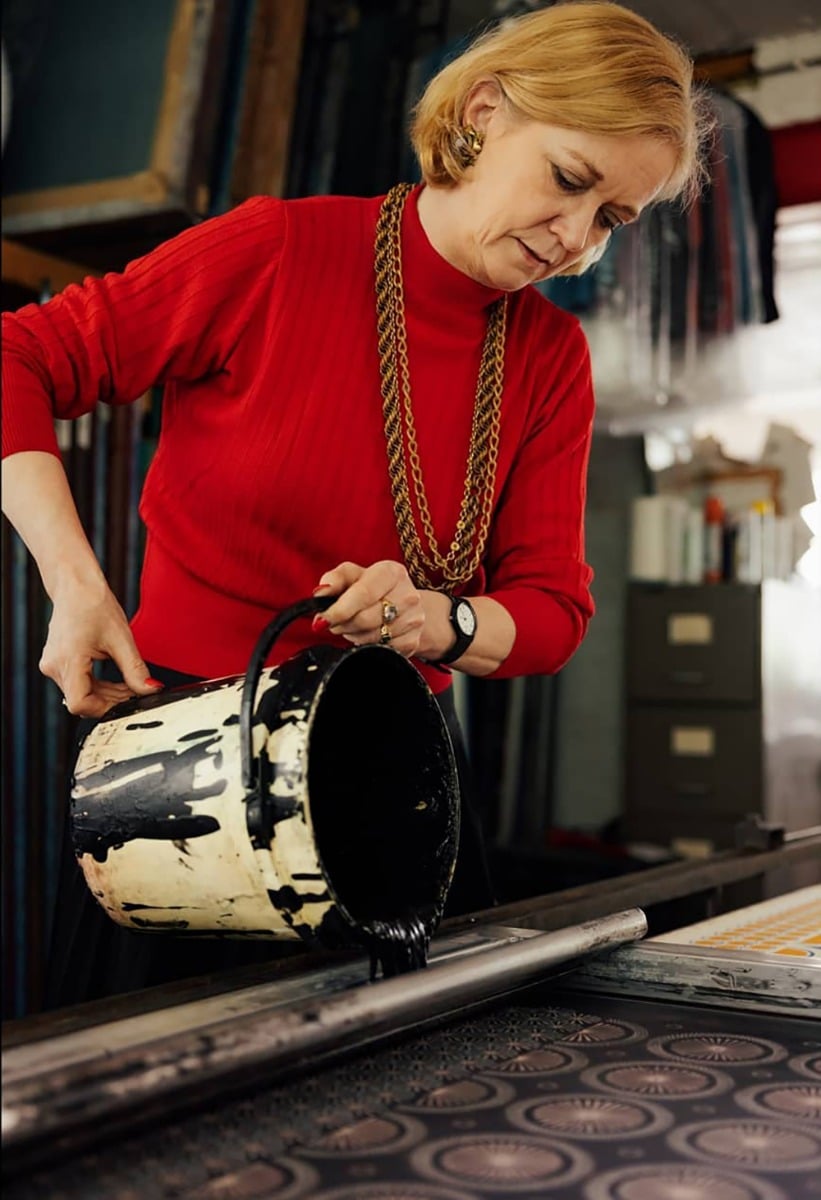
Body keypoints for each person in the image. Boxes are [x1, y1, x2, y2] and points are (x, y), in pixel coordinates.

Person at [1, 1, 710, 1008]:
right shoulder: (275, 252)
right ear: (483, 112)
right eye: (567, 181)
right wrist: (73, 583)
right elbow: (17, 357)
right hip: (182, 762)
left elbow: (551, 611)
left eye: (610, 220)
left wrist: (444, 620)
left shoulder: (551, 356)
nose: (575, 241)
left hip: (394, 781)